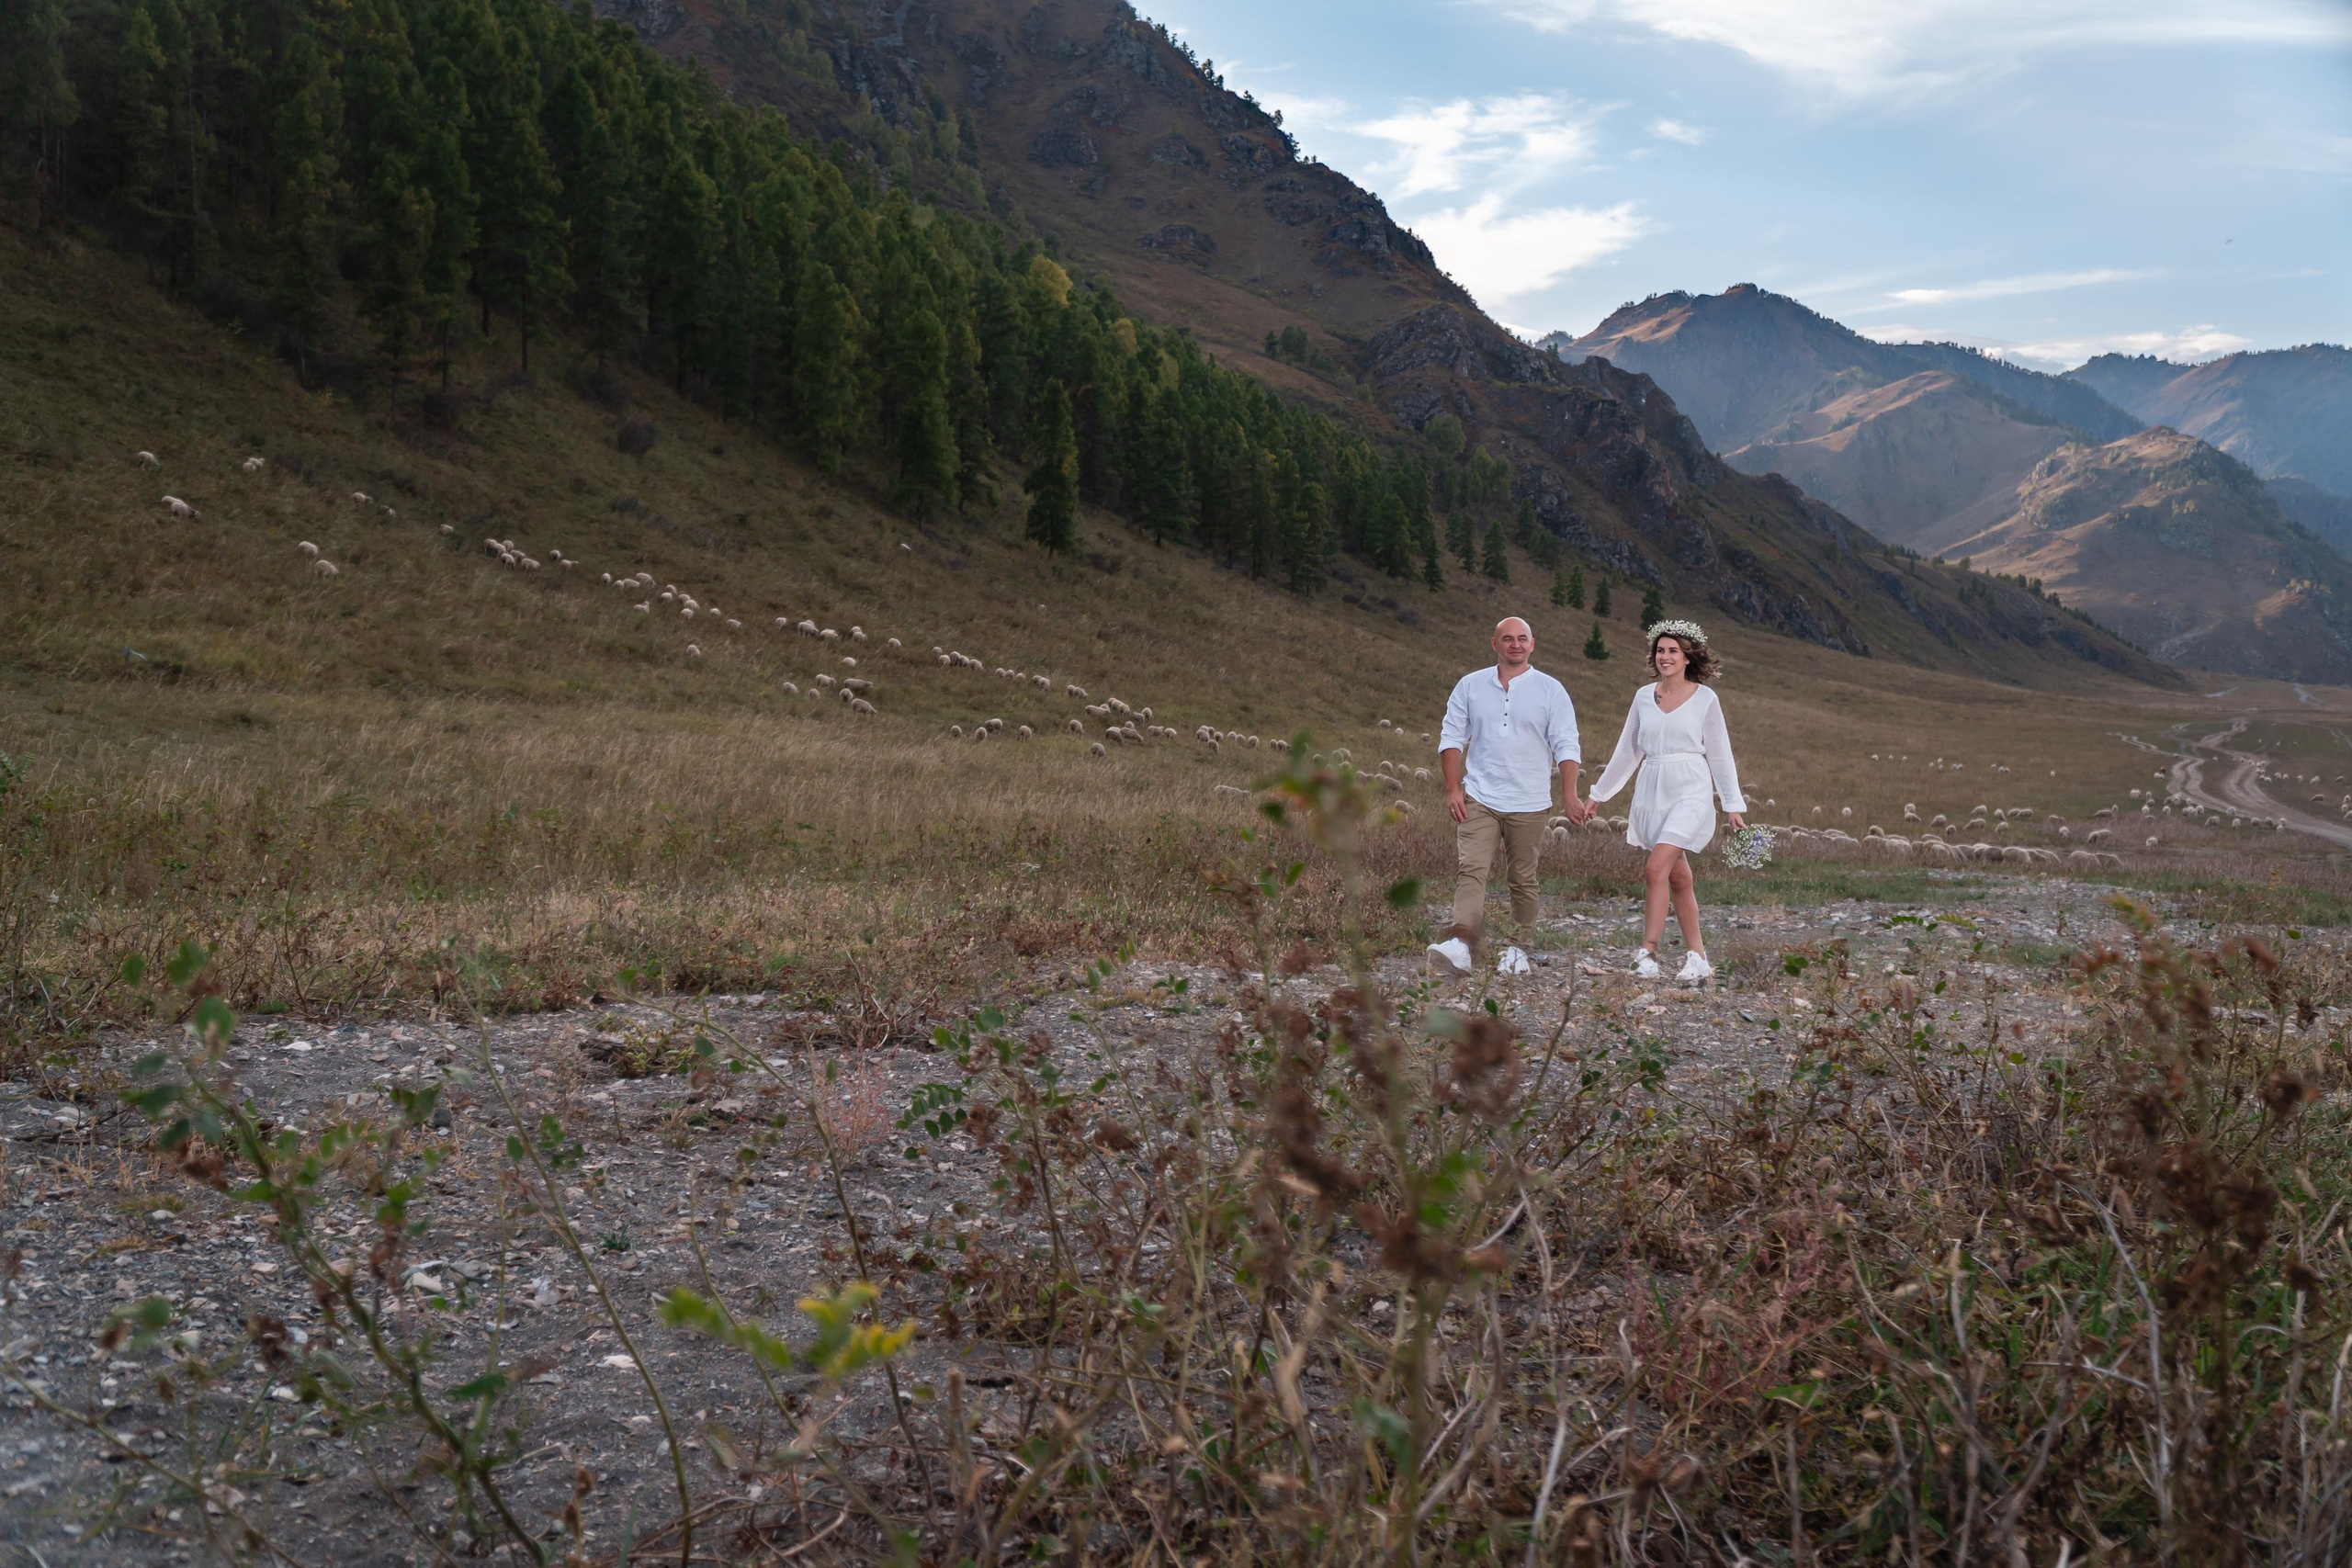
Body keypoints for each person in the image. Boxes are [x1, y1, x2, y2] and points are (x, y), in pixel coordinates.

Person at [1429, 616, 1589, 976]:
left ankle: (1518, 948)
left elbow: (1565, 743)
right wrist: (1454, 789)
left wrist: (1570, 795)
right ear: (1494, 644)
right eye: (1507, 639)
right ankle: (1461, 945)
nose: (1515, 644)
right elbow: (1452, 737)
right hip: (1480, 795)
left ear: (1532, 644)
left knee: (1523, 878)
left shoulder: (1551, 691)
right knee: (1471, 868)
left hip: (1530, 801)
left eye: (1522, 639)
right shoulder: (1470, 686)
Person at [1589, 619, 1746, 982]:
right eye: (1660, 650)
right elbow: (1628, 751)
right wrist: (1598, 795)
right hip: (1653, 790)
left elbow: (1720, 754)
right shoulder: (1644, 697)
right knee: (1679, 879)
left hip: (1691, 788)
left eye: (1673, 650)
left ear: (1688, 656)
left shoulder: (1706, 698)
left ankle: (1648, 953)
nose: (1665, 657)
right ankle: (1698, 958)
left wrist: (1732, 804)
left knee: (1655, 868)